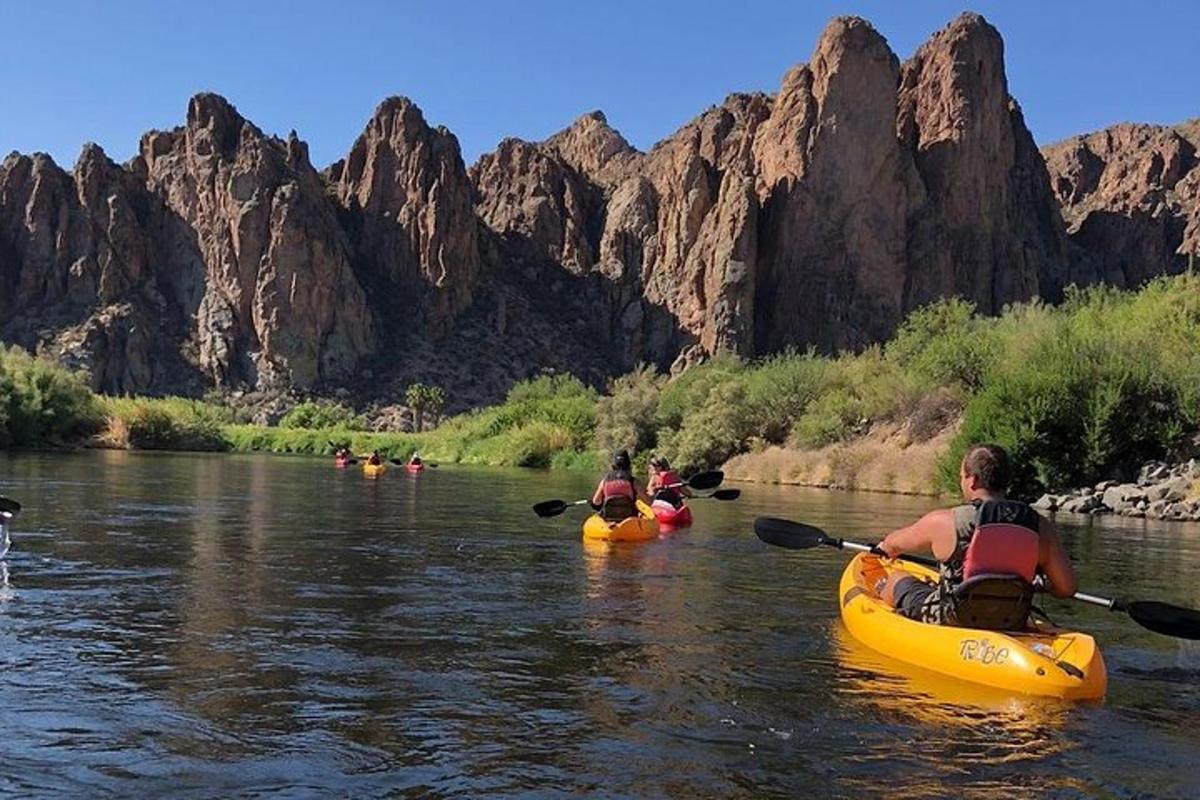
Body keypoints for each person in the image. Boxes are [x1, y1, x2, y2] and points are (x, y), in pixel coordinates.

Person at [874, 443, 1078, 626]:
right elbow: (1066, 588)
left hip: (953, 618)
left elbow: (893, 544)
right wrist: (1037, 583)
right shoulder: (1039, 526)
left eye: (962, 476)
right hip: (1012, 618)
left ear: (972, 480)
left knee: (896, 579)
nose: (961, 481)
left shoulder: (945, 521)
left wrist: (883, 548)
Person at [591, 450, 652, 521]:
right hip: (629, 519)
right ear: (628, 464)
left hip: (609, 518)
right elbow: (648, 502)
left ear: (614, 464)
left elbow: (596, 502)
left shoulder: (605, 481)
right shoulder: (634, 481)